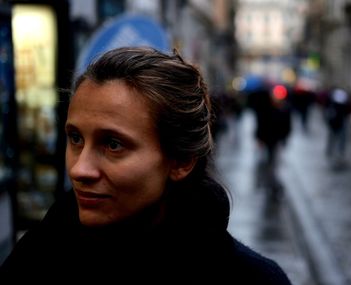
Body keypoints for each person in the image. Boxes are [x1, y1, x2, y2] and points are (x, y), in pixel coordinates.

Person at [0, 47, 292, 284]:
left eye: (113, 144)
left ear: (181, 161)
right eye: (75, 138)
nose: (79, 169)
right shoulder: (38, 256)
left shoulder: (251, 280)